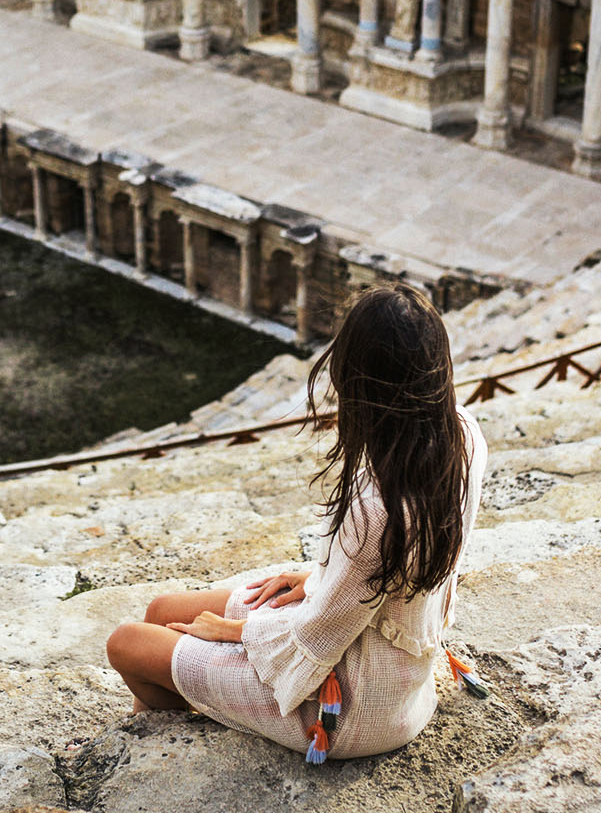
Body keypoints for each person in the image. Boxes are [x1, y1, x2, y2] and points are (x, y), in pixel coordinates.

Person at [104, 282, 488, 761]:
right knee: (164, 609)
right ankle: (167, 709)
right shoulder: (463, 434)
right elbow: (389, 575)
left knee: (126, 644)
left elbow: (317, 637)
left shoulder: (377, 507)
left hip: (350, 710)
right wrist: (320, 578)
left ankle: (151, 737)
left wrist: (235, 633)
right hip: (392, 672)